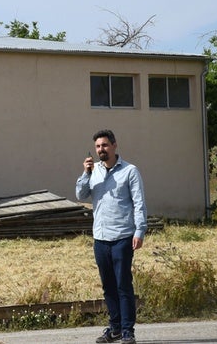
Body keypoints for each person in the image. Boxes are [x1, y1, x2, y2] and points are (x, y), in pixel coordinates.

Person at [76, 129, 147, 344]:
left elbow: (139, 203)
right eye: (98, 146)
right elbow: (80, 195)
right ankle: (114, 328)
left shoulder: (130, 171)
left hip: (123, 236)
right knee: (108, 286)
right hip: (101, 238)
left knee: (123, 284)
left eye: (105, 145)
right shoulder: (93, 171)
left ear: (114, 145)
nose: (101, 150)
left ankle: (127, 331)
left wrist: (140, 230)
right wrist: (86, 174)